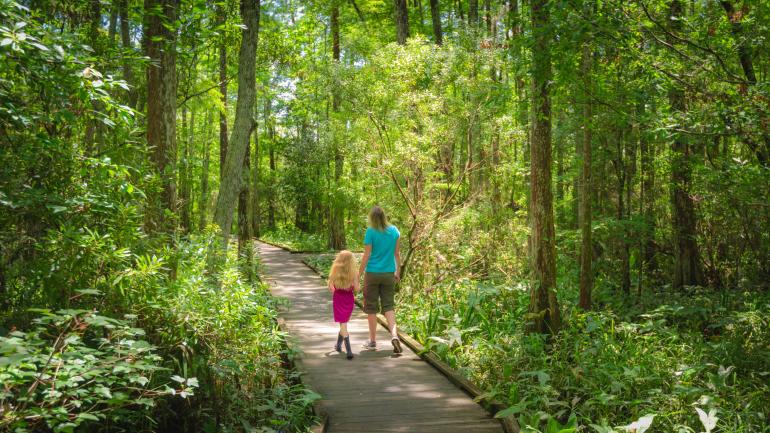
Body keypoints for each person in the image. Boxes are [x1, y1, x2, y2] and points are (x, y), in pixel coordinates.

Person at [358, 206, 402, 353]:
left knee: (371, 308)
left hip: (372, 274)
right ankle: (394, 336)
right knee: (389, 306)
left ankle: (372, 341)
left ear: (372, 218)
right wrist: (398, 271)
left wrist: (358, 274)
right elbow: (397, 254)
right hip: (389, 273)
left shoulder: (370, 232)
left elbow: (366, 255)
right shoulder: (394, 231)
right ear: (384, 216)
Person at [328, 250, 359, 360]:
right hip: (349, 299)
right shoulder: (354, 273)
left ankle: (348, 350)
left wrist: (337, 289)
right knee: (343, 323)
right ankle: (340, 346)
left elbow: (330, 287)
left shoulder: (334, 272)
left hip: (338, 298)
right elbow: (357, 288)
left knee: (343, 323)